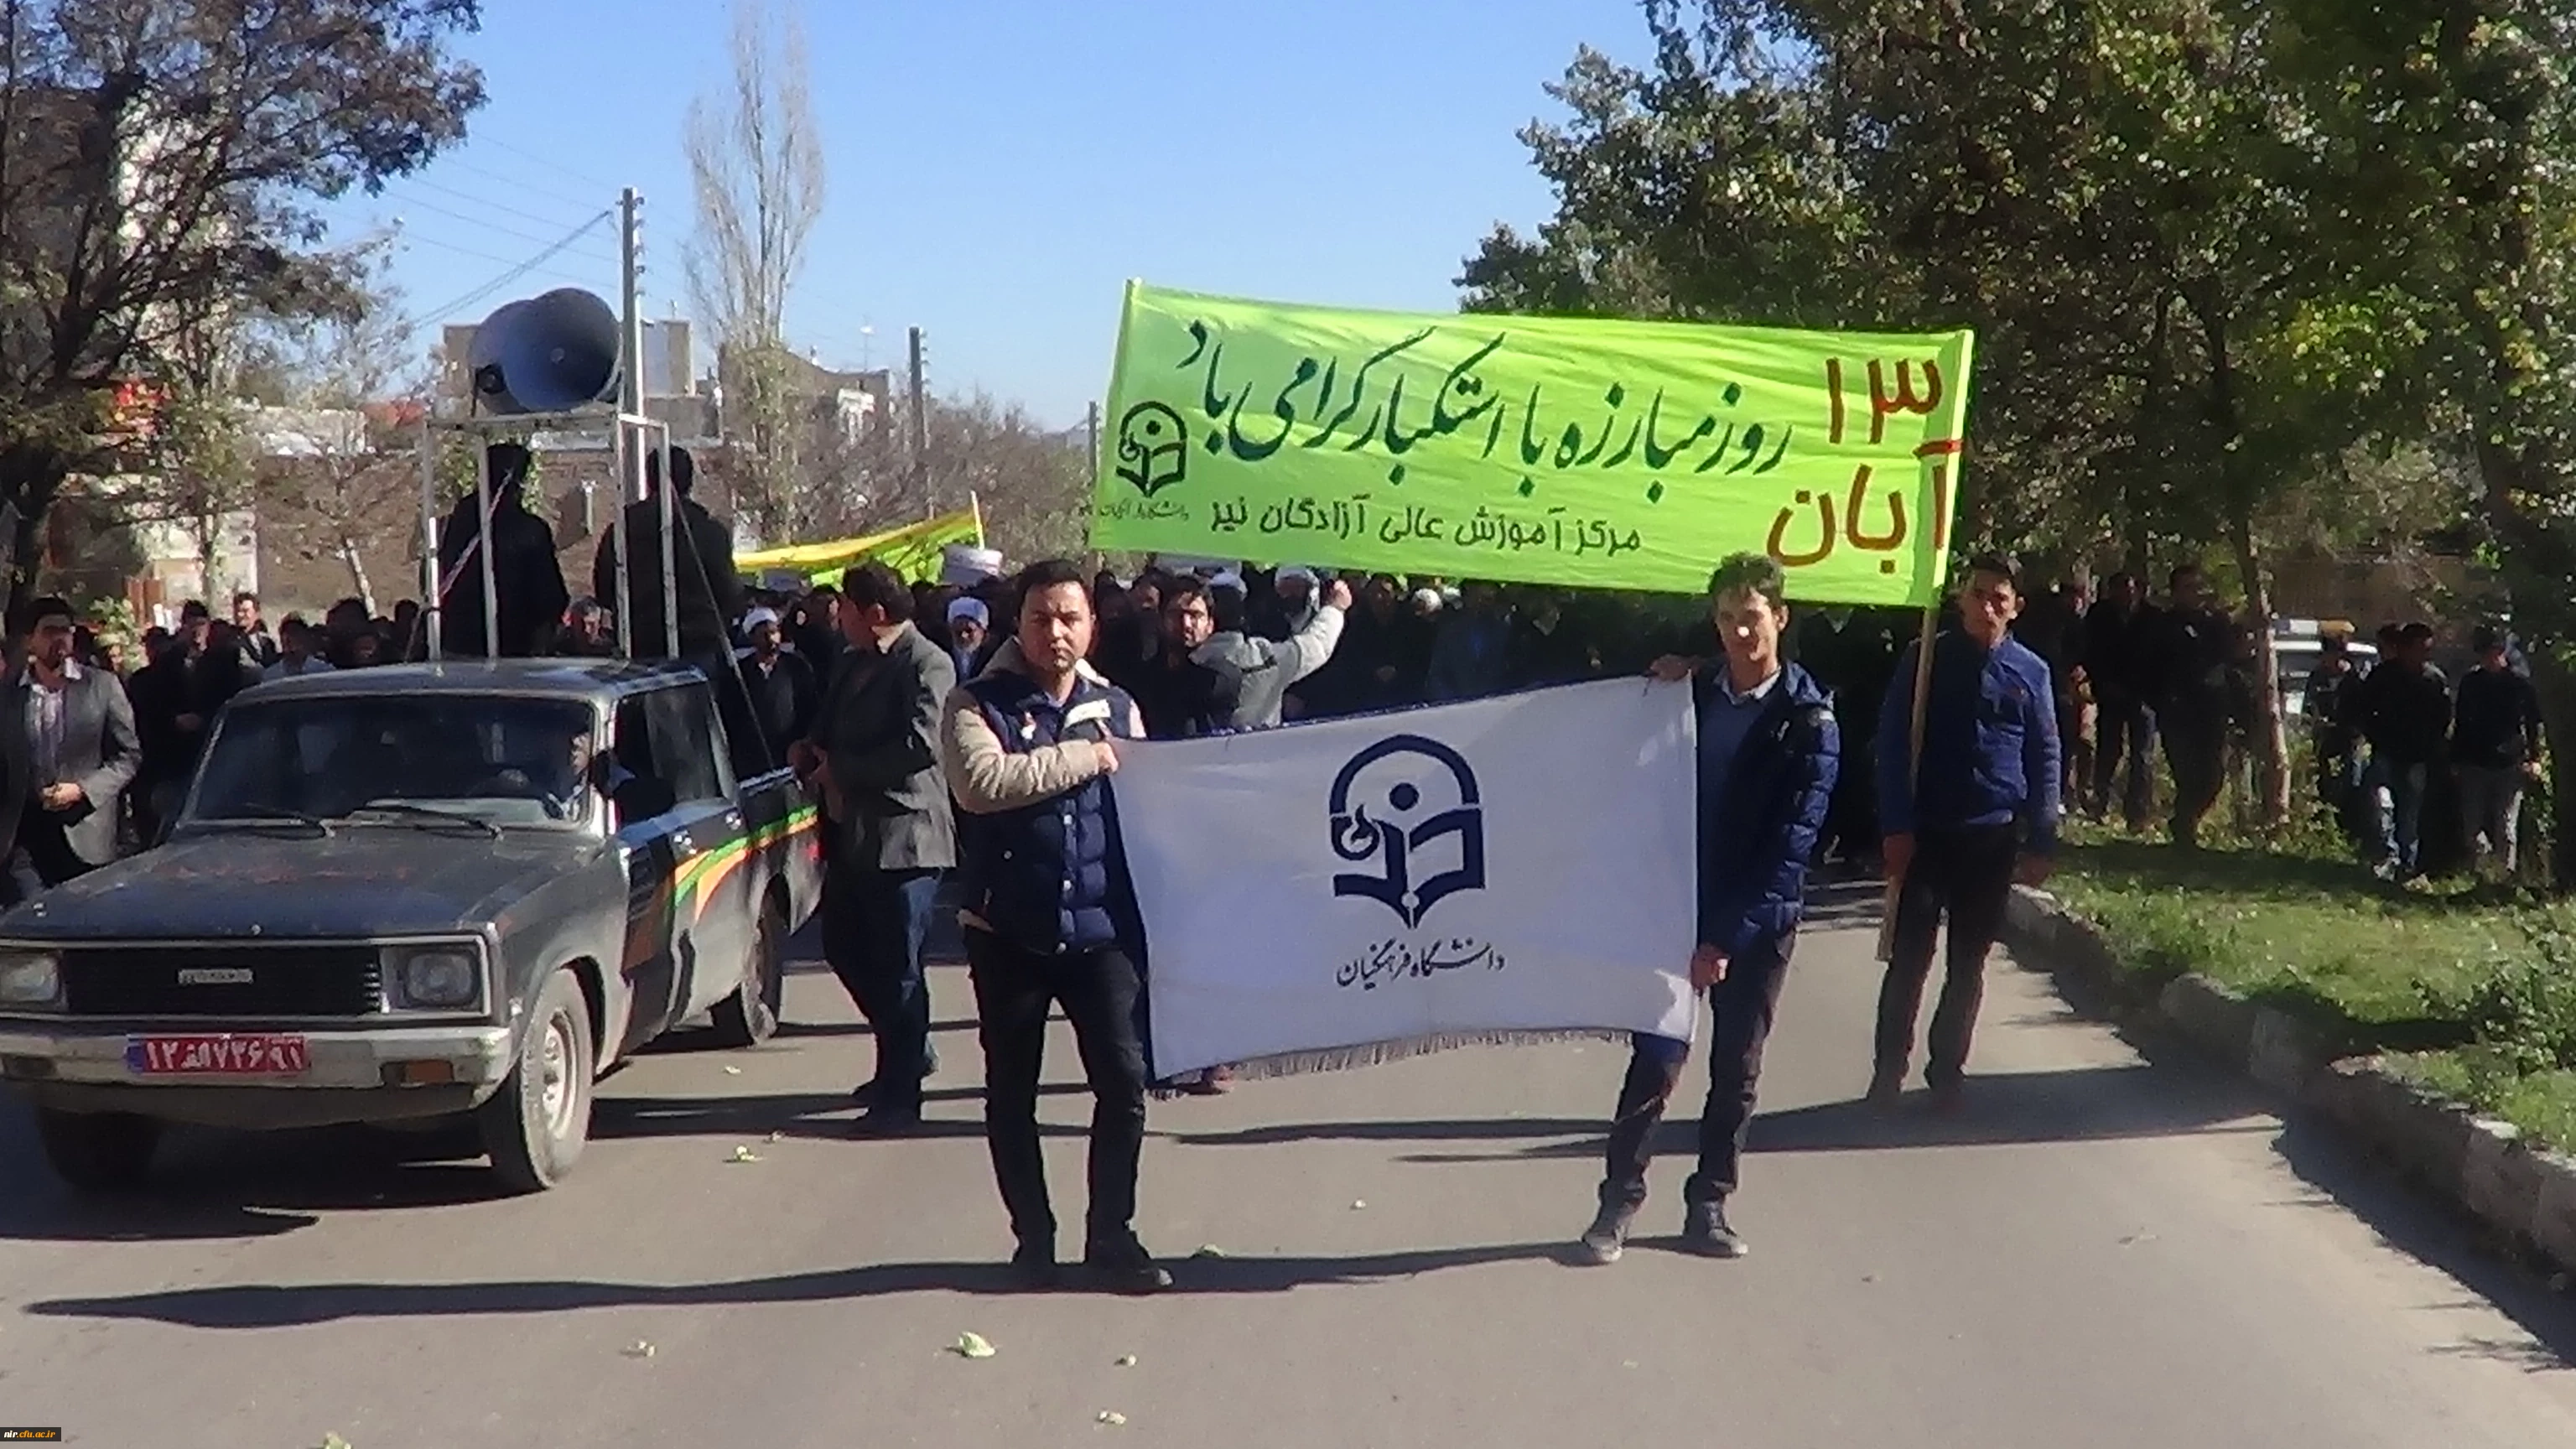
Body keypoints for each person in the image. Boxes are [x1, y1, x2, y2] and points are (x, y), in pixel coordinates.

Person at [1579, 553, 1839, 1265]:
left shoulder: (1810, 722)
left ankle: (1710, 1204)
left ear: (1780, 617)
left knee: (1736, 1067)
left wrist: (1724, 938)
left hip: (1758, 923)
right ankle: (1617, 1203)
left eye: (1750, 617)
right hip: (1677, 910)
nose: (1738, 633)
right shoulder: (1689, 693)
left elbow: (1789, 849)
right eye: (1725, 618)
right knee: (1656, 1060)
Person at [938, 558, 1166, 1293]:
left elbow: (1152, 811)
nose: (1055, 633)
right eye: (1041, 619)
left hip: (1102, 933)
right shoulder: (976, 703)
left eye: (1069, 618)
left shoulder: (1120, 708)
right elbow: (983, 784)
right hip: (1008, 930)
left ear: (1092, 625)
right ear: (1019, 623)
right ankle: (1033, 1241)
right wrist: (1088, 757)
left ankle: (1112, 1236)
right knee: (1012, 1093)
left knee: (1123, 1084)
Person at [1872, 555, 2060, 1111]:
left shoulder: (2031, 672)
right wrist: (1895, 826)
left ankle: (1947, 1072)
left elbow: (2045, 754)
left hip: (1991, 838)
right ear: (1961, 599)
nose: (1987, 607)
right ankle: (1888, 1070)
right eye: (1978, 594)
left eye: (1999, 598)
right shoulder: (1926, 660)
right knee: (1909, 960)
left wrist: (2042, 837)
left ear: (2016, 607)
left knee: (1968, 963)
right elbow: (1892, 743)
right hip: (1927, 834)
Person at [791, 562, 957, 1132]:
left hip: (907, 839)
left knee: (899, 967)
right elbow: (828, 722)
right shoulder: (851, 660)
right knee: (843, 946)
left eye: (847, 609)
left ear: (875, 613)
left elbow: (921, 745)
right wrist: (809, 747)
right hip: (853, 836)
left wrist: (844, 770)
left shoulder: (927, 663)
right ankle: (908, 1050)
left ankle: (900, 1094)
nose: (839, 619)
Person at [2, 598, 140, 904]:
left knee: (85, 921)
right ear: (30, 640)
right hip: (24, 836)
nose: (60, 639)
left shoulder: (101, 686)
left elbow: (128, 756)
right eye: (50, 631)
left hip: (85, 832)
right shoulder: (10, 696)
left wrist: (83, 790)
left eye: (66, 631)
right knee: (31, 920)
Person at [433, 442, 571, 658]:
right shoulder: (527, 530)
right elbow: (548, 592)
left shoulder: (457, 523)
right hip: (512, 644)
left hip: (459, 642)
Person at [2350, 621, 2449, 881]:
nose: (2425, 655)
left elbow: (2443, 717)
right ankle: (2386, 855)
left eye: (2428, 650)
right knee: (2379, 803)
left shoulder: (2434, 679)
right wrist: (2374, 736)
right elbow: (2365, 709)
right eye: (2420, 649)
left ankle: (2407, 863)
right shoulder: (2384, 676)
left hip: (2417, 757)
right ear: (2405, 648)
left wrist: (2432, 746)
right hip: (2386, 751)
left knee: (2410, 812)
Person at [2451, 624, 2542, 880]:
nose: (2490, 657)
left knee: (2506, 826)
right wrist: (2455, 759)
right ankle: (2482, 872)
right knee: (2471, 827)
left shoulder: (2520, 684)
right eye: (2485, 653)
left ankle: (2504, 878)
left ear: (2502, 652)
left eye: (2495, 651)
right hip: (2474, 762)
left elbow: (2533, 723)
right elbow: (2461, 723)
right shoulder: (2471, 683)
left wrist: (2535, 758)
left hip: (2509, 763)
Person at [737, 605, 820, 765]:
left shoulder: (796, 666)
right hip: (752, 755)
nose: (771, 639)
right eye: (764, 635)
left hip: (790, 752)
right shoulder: (740, 672)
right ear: (752, 638)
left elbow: (810, 706)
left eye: (774, 632)